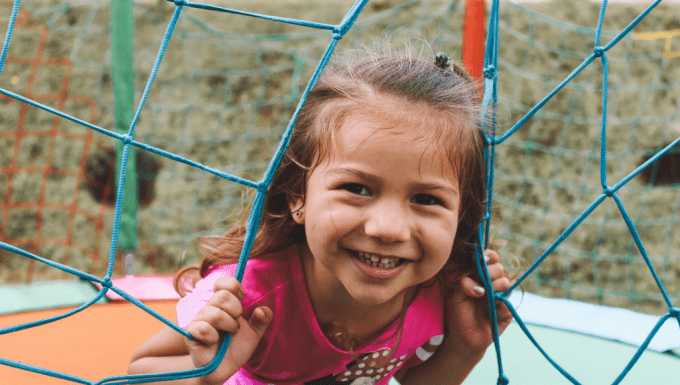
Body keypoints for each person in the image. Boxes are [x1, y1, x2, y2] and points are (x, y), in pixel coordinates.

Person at [128, 47, 514, 385]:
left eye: (426, 199)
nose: (387, 229)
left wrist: (466, 347)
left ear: (462, 215)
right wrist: (203, 374)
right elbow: (139, 370)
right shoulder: (245, 295)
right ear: (298, 195)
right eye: (357, 189)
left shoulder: (441, 290)